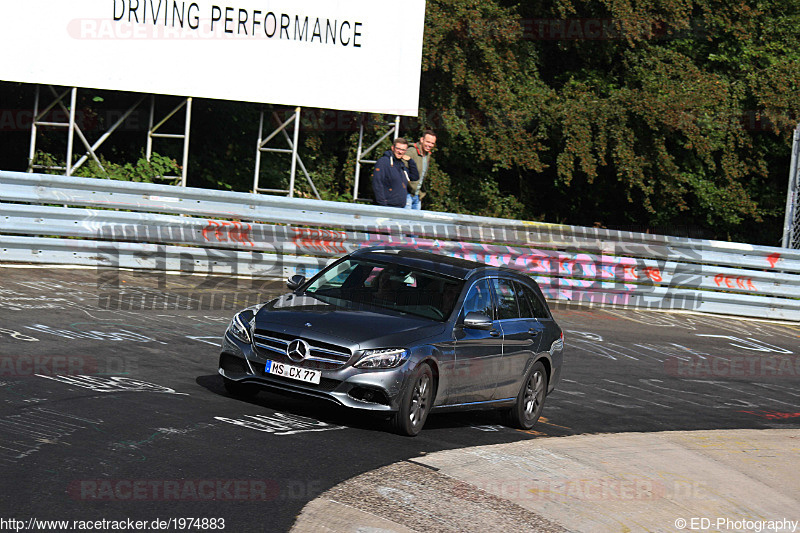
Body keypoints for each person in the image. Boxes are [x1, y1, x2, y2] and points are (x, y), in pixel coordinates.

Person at [371, 137, 419, 208]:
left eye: (403, 150)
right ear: (393, 148)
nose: (400, 152)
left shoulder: (401, 165)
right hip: (387, 206)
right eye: (398, 149)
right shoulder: (383, 162)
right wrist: (382, 204)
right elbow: (377, 183)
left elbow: (414, 177)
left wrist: (410, 161)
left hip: (400, 207)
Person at [402, 130, 437, 210]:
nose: (430, 145)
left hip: (417, 196)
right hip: (407, 195)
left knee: (415, 222)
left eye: (432, 143)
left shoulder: (427, 155)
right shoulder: (411, 152)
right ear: (422, 140)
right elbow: (401, 170)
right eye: (428, 142)